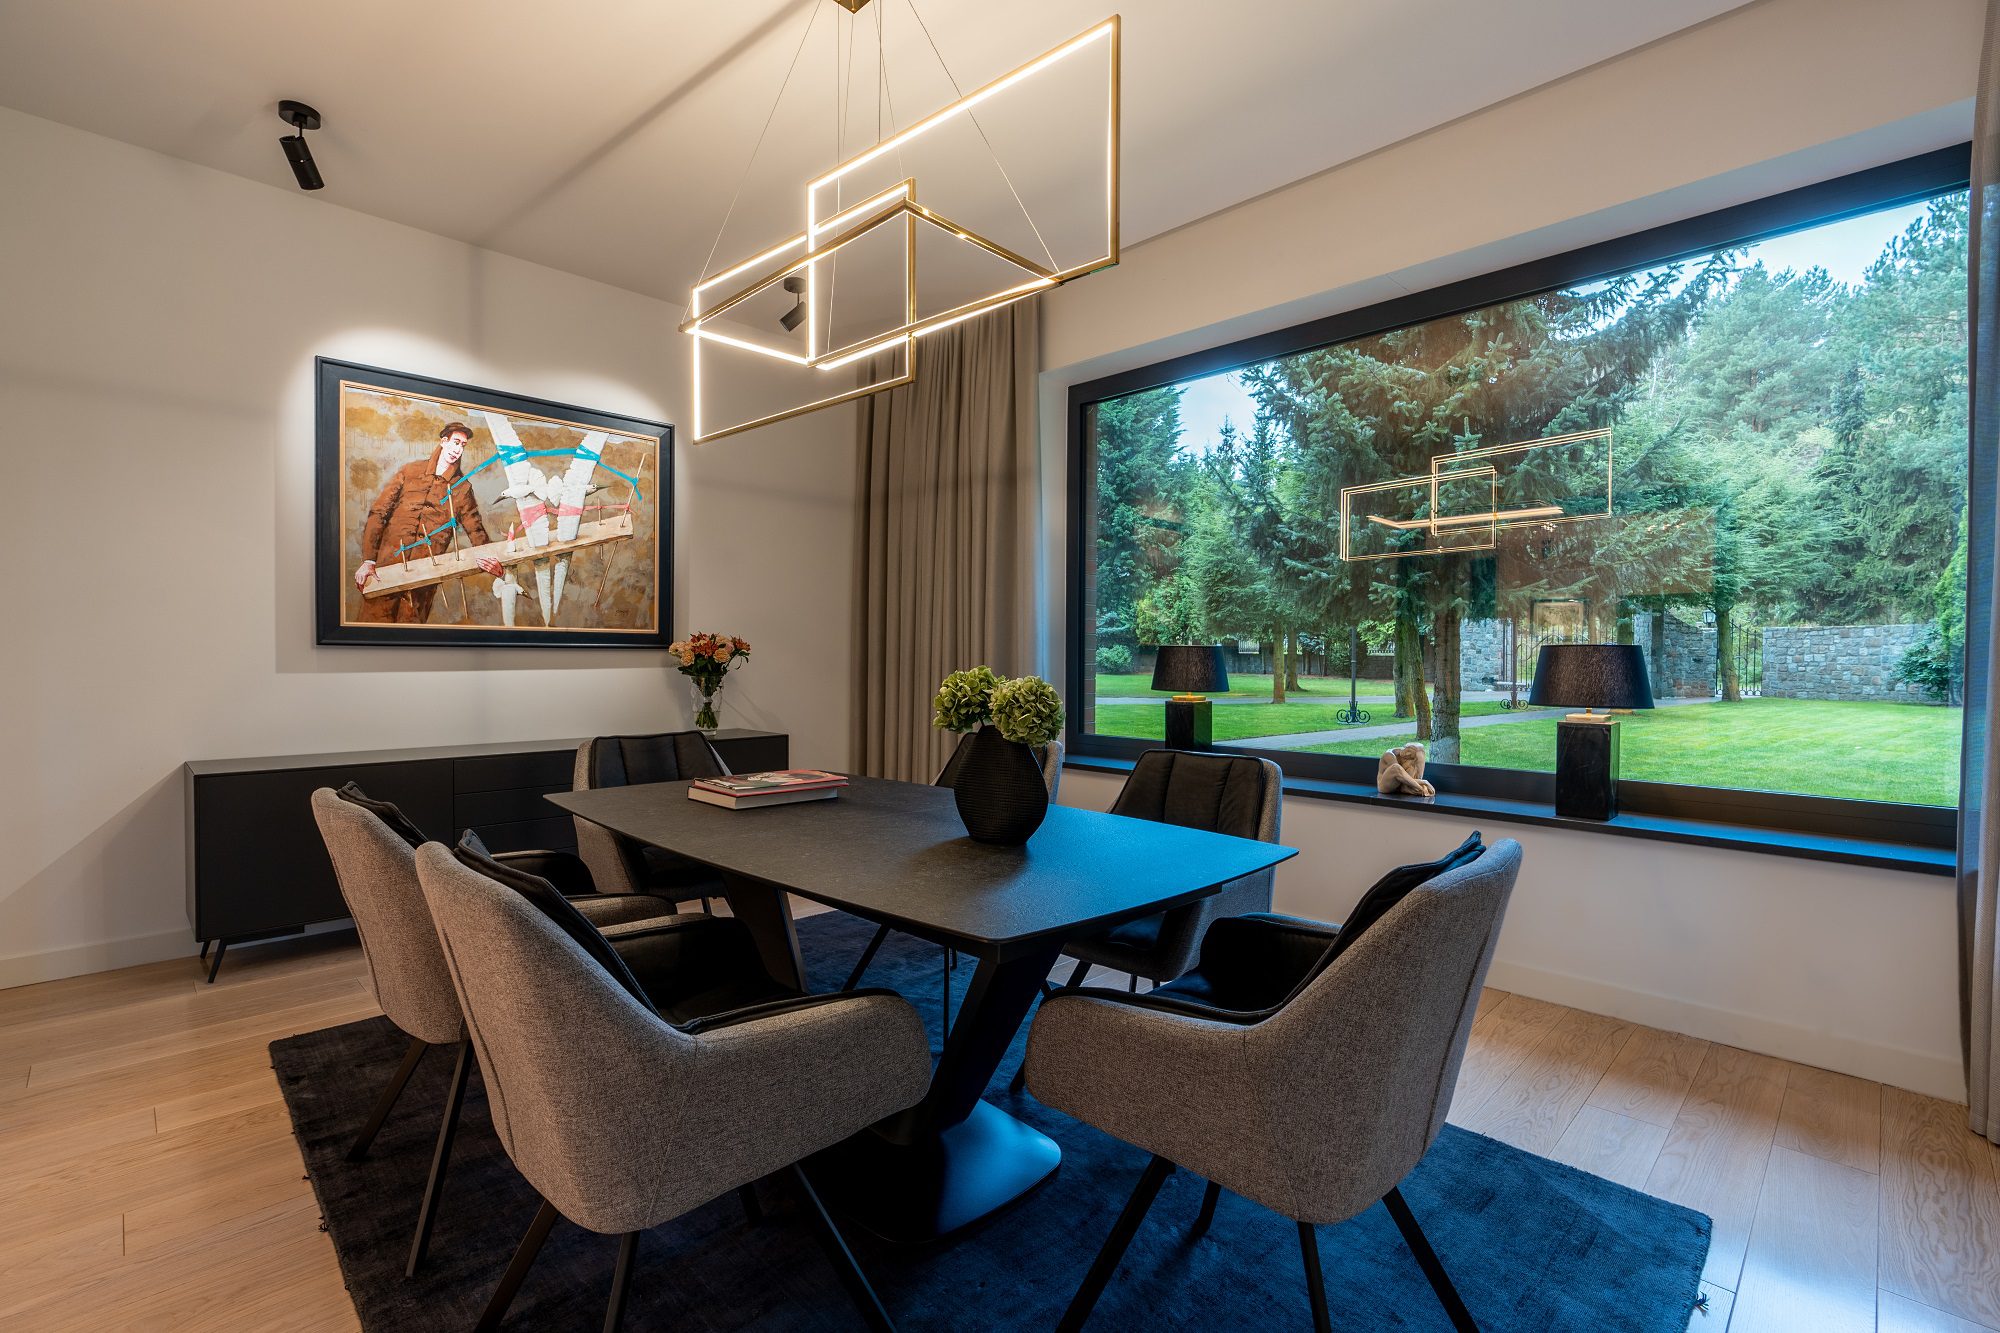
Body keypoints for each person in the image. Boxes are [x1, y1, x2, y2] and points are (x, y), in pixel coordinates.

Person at [353, 422, 504, 624]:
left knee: (411, 632)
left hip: (423, 581)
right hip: (383, 571)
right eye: (456, 442)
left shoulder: (462, 488)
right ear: (444, 441)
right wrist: (368, 561)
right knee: (369, 629)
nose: (458, 449)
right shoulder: (409, 471)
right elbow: (378, 513)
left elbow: (475, 529)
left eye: (463, 445)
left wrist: (490, 558)